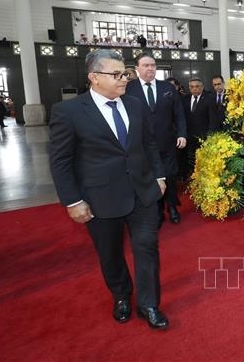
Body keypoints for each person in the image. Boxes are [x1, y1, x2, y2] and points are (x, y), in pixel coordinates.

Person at [48, 49, 169, 329]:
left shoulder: (136, 105)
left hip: (142, 192)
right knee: (110, 253)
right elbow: (60, 161)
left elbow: (149, 144)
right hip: (100, 197)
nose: (124, 79)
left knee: (147, 247)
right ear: (94, 78)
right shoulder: (69, 112)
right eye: (116, 75)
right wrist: (72, 200)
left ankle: (149, 304)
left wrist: (159, 176)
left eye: (125, 73)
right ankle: (121, 295)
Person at [126, 53, 187, 225]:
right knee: (151, 178)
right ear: (137, 68)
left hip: (168, 142)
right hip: (142, 145)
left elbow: (179, 114)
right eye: (145, 65)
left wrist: (182, 133)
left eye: (153, 65)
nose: (150, 68)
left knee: (170, 177)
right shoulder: (129, 89)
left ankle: (173, 207)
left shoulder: (167, 87)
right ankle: (158, 210)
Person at [183, 77, 216, 178]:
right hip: (189, 136)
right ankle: (192, 176)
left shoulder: (209, 99)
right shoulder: (185, 99)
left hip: (204, 136)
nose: (194, 89)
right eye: (192, 87)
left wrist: (210, 135)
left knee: (204, 158)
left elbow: (213, 119)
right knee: (190, 157)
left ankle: (204, 177)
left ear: (202, 87)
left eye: (197, 86)